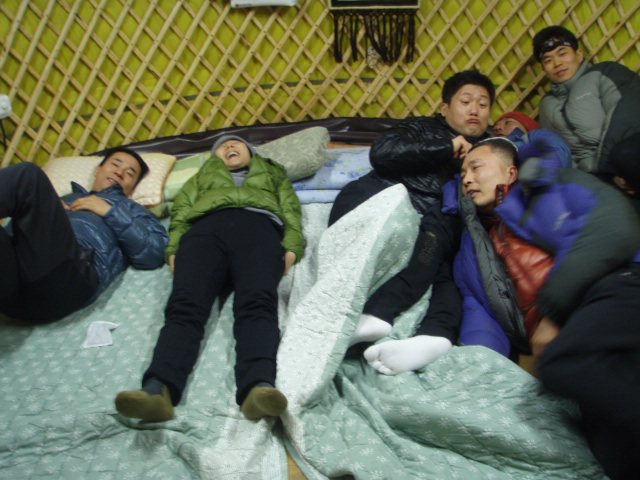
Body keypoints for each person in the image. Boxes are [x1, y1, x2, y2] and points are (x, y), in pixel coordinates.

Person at [444, 137, 640, 480]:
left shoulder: (557, 185)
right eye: (462, 176)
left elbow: (615, 229)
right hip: (580, 334)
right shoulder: (471, 251)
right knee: (613, 456)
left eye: (476, 167)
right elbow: (481, 313)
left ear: (511, 171)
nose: (468, 179)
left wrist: (552, 313)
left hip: (621, 286)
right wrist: (479, 373)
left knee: (563, 364)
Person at [115, 135, 304, 422]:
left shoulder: (273, 173)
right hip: (205, 231)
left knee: (258, 301)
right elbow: (180, 210)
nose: (229, 146)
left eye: (236, 143)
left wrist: (292, 247)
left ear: (251, 152)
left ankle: (258, 388)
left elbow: (291, 210)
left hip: (259, 228)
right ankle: (158, 389)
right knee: (185, 304)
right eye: (222, 146)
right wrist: (174, 248)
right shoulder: (201, 175)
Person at [328, 70, 495, 375]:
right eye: (466, 101)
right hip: (386, 196)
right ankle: (366, 315)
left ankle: (434, 335)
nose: (474, 110)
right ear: (444, 108)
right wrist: (445, 148)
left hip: (438, 219)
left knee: (451, 264)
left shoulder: (491, 148)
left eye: (483, 104)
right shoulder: (421, 127)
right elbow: (382, 153)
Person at [0, 148, 168, 322]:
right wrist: (47, 213)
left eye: (129, 173)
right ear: (97, 170)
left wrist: (111, 211)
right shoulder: (62, 197)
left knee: (28, 176)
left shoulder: (132, 209)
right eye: (115, 164)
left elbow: (154, 253)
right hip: (11, 287)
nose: (119, 172)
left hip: (67, 281)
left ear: (132, 188)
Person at [534, 25, 640, 178]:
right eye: (548, 60)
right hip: (590, 178)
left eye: (562, 54)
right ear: (544, 69)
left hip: (627, 162)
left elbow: (627, 117)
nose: (557, 63)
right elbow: (556, 150)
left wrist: (606, 166)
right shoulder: (547, 105)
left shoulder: (605, 73)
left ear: (579, 54)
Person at [492, 111, 572, 168]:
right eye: (495, 126)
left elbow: (559, 157)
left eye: (508, 122)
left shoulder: (538, 135)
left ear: (526, 126)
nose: (498, 127)